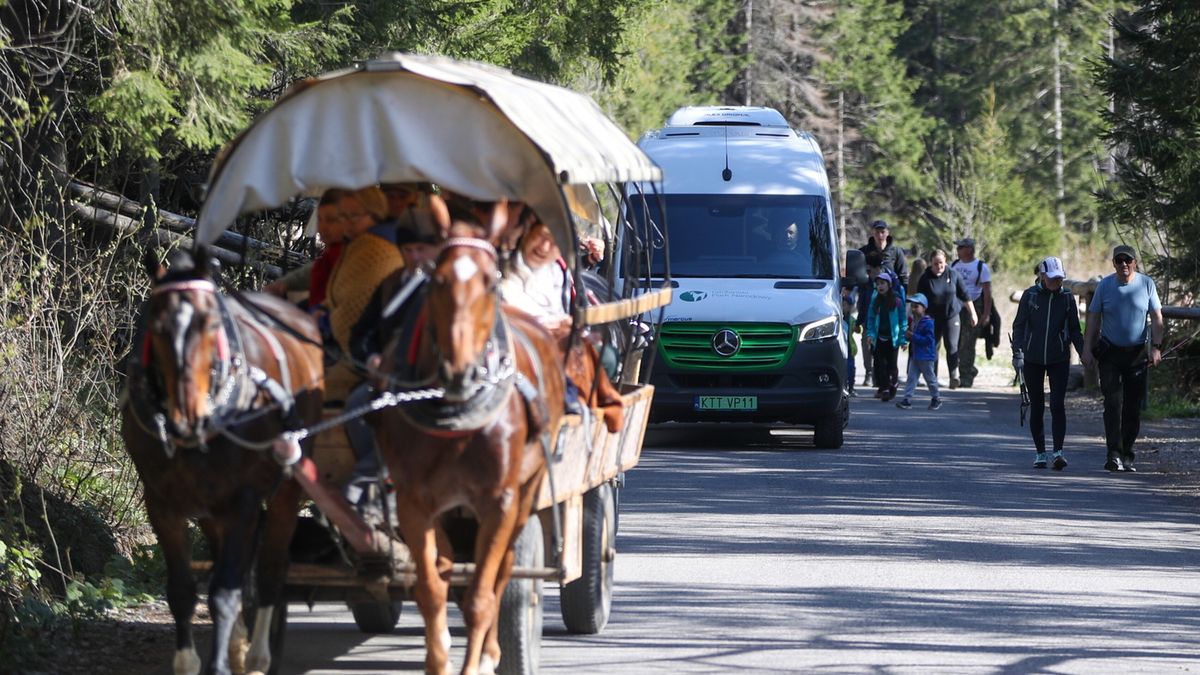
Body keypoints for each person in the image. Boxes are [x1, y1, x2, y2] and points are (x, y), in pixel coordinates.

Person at [1081, 245, 1164, 473]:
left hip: (1137, 354)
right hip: (1110, 353)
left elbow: (1157, 317)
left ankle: (1127, 454)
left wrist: (1156, 348)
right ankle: (1113, 454)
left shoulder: (1146, 284)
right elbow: (1094, 318)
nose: (1124, 264)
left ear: (1135, 262)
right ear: (1113, 263)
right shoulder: (1105, 286)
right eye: (1119, 260)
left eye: (1128, 260)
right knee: (1112, 403)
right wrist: (1087, 349)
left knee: (1132, 407)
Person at [1011, 256, 1085, 470]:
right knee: (1036, 406)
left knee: (1057, 404)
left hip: (1059, 358)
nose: (1056, 282)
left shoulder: (1067, 298)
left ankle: (1058, 452)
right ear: (1042, 276)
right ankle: (1040, 453)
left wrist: (1083, 352)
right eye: (1052, 278)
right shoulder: (1030, 296)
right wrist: (1018, 353)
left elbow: (1074, 329)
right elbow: (1019, 326)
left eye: (1059, 278)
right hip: (1032, 358)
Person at [916, 248, 977, 382]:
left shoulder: (953, 274)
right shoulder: (925, 278)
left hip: (951, 315)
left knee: (952, 346)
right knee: (933, 346)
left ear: (945, 262)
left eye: (941, 263)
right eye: (935, 264)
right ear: (931, 263)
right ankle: (933, 377)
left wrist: (973, 313)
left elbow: (965, 295)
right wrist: (919, 317)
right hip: (932, 317)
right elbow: (920, 299)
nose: (939, 266)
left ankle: (954, 376)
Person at [950, 237, 991, 388]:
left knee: (967, 344)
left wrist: (986, 314)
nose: (958, 250)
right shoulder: (954, 265)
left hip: (973, 307)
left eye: (960, 247)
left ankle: (966, 376)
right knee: (955, 342)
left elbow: (987, 293)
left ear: (969, 250)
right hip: (955, 307)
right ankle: (960, 372)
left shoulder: (981, 267)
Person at [865, 269, 907, 401]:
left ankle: (893, 384)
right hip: (879, 338)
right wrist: (870, 334)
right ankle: (884, 389)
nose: (880, 286)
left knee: (892, 365)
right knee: (880, 365)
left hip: (893, 339)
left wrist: (903, 339)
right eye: (878, 284)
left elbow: (902, 320)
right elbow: (871, 319)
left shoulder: (897, 301)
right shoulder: (875, 300)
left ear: (889, 285)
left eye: (883, 283)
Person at [895, 293, 941, 410]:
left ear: (924, 308)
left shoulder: (928, 322)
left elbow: (928, 340)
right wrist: (905, 340)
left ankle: (936, 398)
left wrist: (912, 336)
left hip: (926, 356)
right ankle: (907, 399)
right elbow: (910, 335)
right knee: (911, 378)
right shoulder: (913, 321)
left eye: (916, 306)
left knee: (930, 378)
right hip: (915, 355)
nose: (913, 309)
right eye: (912, 306)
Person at [855, 253, 885, 388]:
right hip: (868, 323)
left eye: (870, 270)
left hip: (883, 323)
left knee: (880, 350)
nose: (868, 273)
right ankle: (869, 372)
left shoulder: (886, 282)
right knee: (866, 348)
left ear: (877, 268)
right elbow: (862, 305)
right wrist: (858, 322)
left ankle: (880, 376)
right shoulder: (865, 284)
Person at [842, 287, 858, 397]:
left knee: (851, 369)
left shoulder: (851, 319)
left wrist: (857, 327)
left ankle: (851, 387)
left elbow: (857, 329)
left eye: (845, 305)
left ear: (850, 307)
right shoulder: (838, 319)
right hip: (841, 349)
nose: (843, 307)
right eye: (842, 305)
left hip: (850, 349)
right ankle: (844, 387)